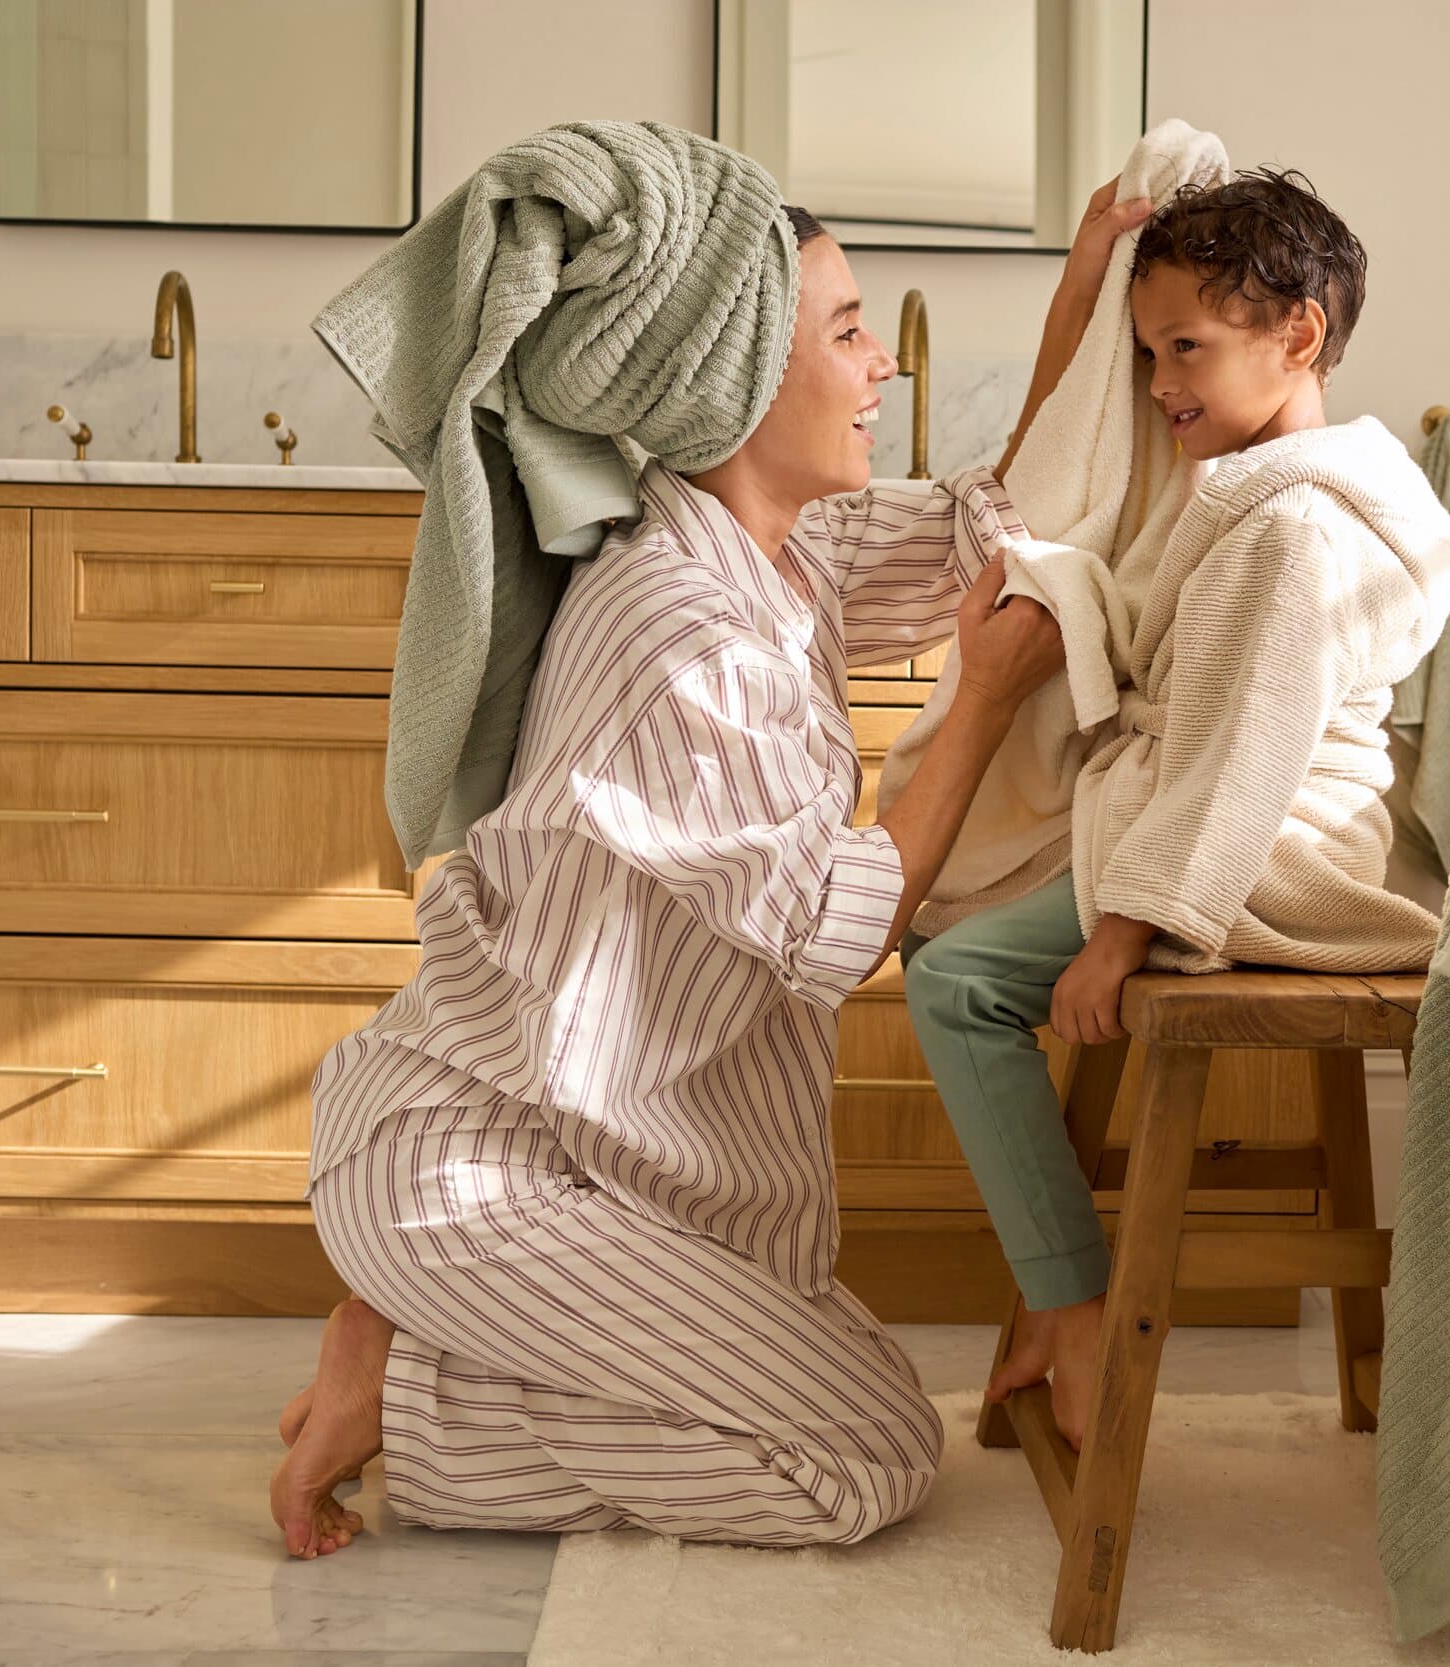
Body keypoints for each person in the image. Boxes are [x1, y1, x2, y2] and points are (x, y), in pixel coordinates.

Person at [269, 181, 1156, 1559]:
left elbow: (991, 523)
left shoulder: (773, 550)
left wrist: (1087, 292)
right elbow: (834, 928)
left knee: (842, 1397)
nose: (886, 366)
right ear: (733, 379)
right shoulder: (687, 629)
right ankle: (413, 1382)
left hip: (608, 1162)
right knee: (864, 1454)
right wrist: (981, 701)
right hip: (484, 1171)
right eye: (850, 333)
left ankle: (419, 1352)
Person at [899, 169, 1450, 1446]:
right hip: (1217, 817)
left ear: (1299, 336)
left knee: (949, 981)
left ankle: (1076, 1304)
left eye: (1187, 350)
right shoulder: (1253, 490)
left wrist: (1123, 929)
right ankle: (1057, 1286)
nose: (1159, 385)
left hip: (1271, 851)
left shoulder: (1289, 535)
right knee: (943, 941)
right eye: (1150, 351)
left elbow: (1241, 760)